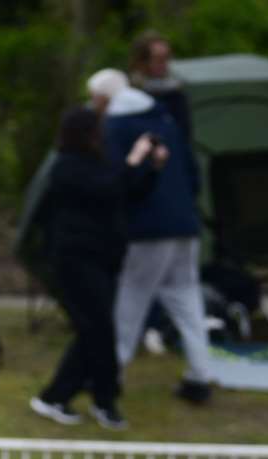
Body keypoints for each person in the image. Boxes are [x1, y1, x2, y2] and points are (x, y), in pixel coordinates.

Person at [28, 107, 163, 431]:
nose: (101, 136)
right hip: (75, 260)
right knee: (98, 329)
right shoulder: (66, 167)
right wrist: (135, 157)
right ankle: (94, 398)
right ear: (84, 133)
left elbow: (126, 191)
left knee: (96, 331)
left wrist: (153, 168)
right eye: (96, 130)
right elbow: (107, 188)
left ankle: (70, 396)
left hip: (103, 260)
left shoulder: (98, 163)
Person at [90, 68, 214, 406]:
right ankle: (200, 376)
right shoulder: (167, 120)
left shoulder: (115, 126)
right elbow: (191, 172)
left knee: (131, 301)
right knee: (187, 300)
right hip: (185, 225)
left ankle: (110, 375)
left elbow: (120, 180)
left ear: (104, 99)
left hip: (146, 231)